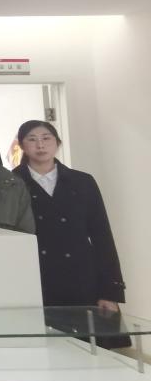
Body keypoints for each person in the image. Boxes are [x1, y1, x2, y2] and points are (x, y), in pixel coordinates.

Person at [13, 120, 126, 314]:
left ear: (57, 143)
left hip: (81, 276)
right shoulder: (11, 183)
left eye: (46, 138)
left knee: (88, 331)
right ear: (22, 146)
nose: (40, 145)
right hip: (34, 277)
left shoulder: (82, 181)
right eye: (32, 139)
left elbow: (102, 236)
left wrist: (110, 291)